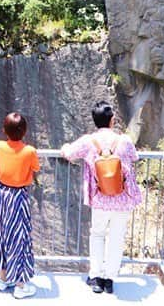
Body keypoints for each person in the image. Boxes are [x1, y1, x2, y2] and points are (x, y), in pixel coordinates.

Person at [61, 100, 142, 295]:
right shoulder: (124, 140)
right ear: (112, 120)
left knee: (97, 234)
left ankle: (95, 277)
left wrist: (64, 147)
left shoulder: (88, 141)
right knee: (116, 237)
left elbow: (69, 154)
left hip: (99, 197)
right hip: (122, 198)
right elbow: (135, 157)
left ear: (94, 120)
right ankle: (110, 279)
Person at [0, 112, 40, 299]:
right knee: (18, 238)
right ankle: (20, 285)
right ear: (24, 131)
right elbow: (36, 168)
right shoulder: (29, 151)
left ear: (4, 130)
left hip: (0, 194)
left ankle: (3, 278)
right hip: (17, 197)